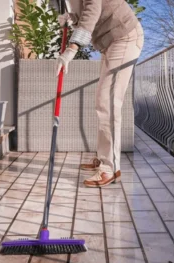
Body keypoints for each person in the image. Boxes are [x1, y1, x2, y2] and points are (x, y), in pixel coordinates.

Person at [50, 0, 144, 188]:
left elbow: (93, 8)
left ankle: (110, 168)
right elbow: (82, 12)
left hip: (124, 36)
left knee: (108, 102)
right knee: (103, 102)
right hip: (110, 42)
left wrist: (72, 48)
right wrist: (70, 18)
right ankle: (104, 158)